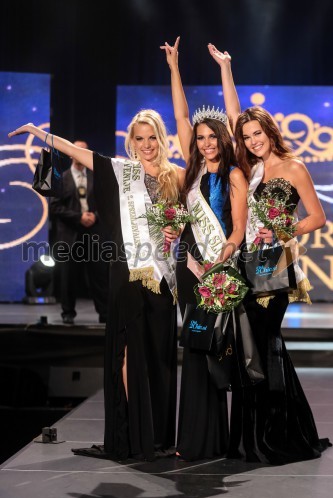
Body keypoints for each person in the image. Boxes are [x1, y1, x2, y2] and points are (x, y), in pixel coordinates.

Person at [9, 109, 185, 461]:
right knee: (128, 350)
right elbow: (73, 152)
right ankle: (133, 433)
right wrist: (35, 131)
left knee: (158, 353)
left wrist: (176, 229)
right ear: (130, 142)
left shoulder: (176, 176)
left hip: (162, 275)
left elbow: (185, 221)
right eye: (140, 138)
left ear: (161, 139)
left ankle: (159, 434)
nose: (147, 145)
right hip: (125, 271)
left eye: (152, 138)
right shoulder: (119, 170)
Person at [208, 43, 331, 464]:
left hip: (277, 265)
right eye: (246, 137)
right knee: (249, 347)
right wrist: (227, 69)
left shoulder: (294, 167)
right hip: (247, 265)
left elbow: (317, 218)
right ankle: (253, 437)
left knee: (266, 341)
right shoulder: (249, 165)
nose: (251, 140)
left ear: (271, 132)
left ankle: (278, 435)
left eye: (257, 134)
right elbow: (232, 115)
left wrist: (281, 228)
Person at [161, 37, 248, 461]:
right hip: (188, 264)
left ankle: (212, 438)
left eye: (213, 138)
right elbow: (179, 114)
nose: (207, 144)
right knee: (191, 348)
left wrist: (224, 69)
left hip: (219, 268)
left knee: (213, 347)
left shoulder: (234, 174)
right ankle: (190, 440)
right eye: (200, 139)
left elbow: (238, 231)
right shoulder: (192, 169)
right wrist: (174, 68)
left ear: (222, 139)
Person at [49, 140, 109, 325]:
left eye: (84, 151)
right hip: (69, 234)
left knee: (99, 275)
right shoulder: (61, 178)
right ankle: (68, 312)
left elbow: (107, 204)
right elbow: (55, 206)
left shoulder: (97, 177)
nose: (80, 154)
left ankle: (105, 313)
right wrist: (79, 217)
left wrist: (95, 216)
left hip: (94, 233)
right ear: (70, 153)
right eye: (77, 151)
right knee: (68, 275)